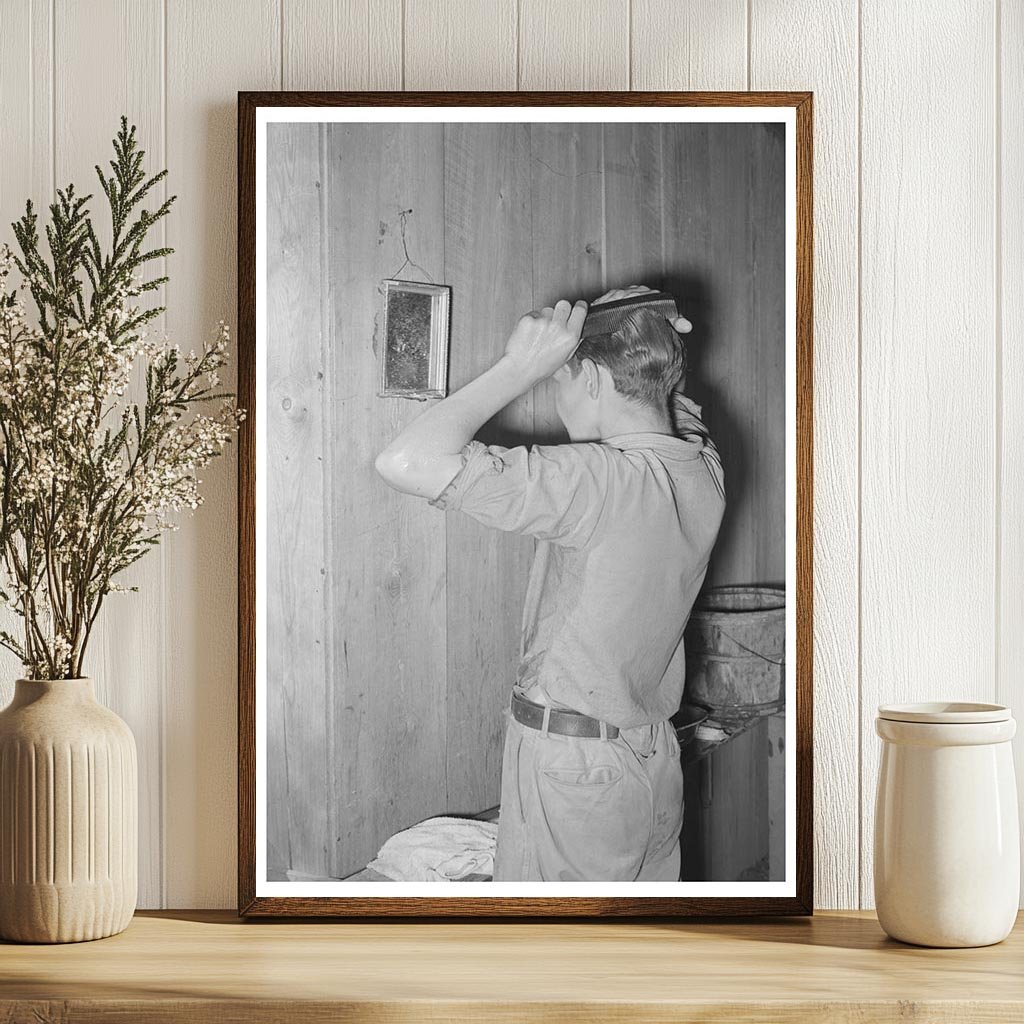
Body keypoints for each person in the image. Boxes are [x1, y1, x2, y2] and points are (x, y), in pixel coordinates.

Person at [375, 285, 725, 881]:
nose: (554, 396)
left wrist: (521, 366)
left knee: (548, 958)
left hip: (575, 770)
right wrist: (646, 322)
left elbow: (403, 462)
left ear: (590, 378)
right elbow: (674, 409)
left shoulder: (599, 482)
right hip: (650, 758)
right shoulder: (702, 466)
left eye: (557, 381)